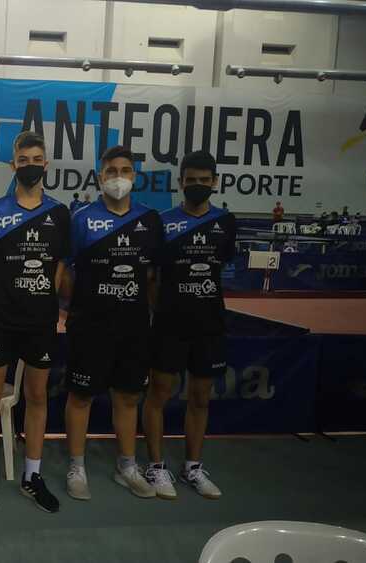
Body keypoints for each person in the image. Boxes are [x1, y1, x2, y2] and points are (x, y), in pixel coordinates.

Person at [0, 130, 70, 514]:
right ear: (13, 164)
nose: (29, 166)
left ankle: (32, 475)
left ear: (45, 164)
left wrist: (44, 300)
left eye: (36, 160)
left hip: (40, 322)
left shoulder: (59, 213)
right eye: (23, 159)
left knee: (35, 397)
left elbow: (60, 266)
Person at [63, 145, 162, 501]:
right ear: (100, 177)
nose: (118, 177)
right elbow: (68, 272)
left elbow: (150, 275)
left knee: (127, 396)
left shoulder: (149, 221)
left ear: (134, 176)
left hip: (133, 327)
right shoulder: (82, 220)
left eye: (125, 170)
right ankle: (76, 466)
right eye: (111, 171)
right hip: (90, 326)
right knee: (81, 396)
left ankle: (127, 466)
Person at [143, 150, 237, 500]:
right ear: (180, 182)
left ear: (214, 182)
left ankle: (193, 467)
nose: (197, 186)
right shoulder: (163, 223)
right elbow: (152, 278)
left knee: (200, 397)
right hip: (169, 325)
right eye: (191, 180)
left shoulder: (226, 223)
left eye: (204, 180)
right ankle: (156, 467)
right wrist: (164, 309)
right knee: (158, 395)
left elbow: (219, 267)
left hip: (209, 324)